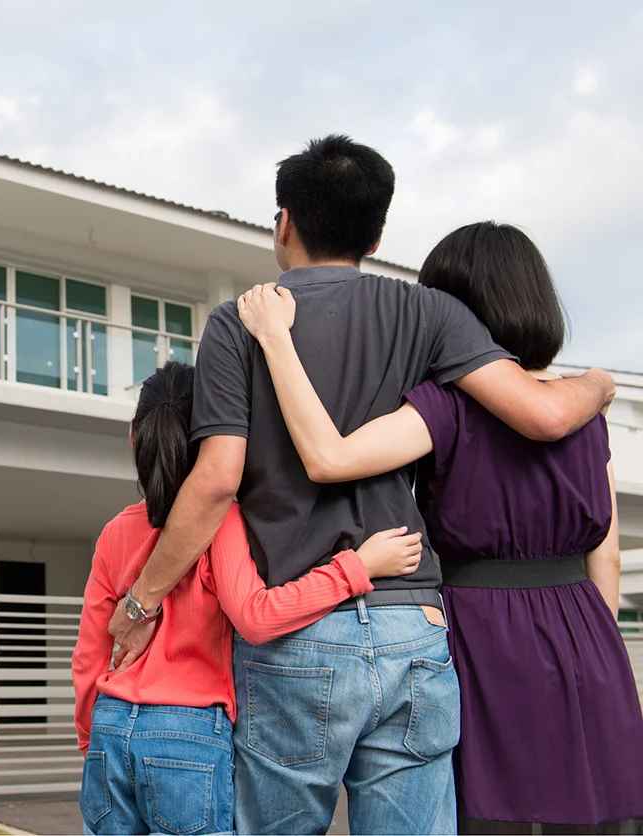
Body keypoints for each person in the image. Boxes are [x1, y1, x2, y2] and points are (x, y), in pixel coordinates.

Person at [106, 135, 616, 835]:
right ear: (376, 233)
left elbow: (219, 478)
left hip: (297, 633)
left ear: (284, 222)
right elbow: (542, 414)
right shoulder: (431, 315)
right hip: (413, 624)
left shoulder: (239, 323)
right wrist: (600, 381)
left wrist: (140, 602)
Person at [235, 221, 643, 832]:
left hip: (481, 630)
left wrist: (276, 343)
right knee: (589, 811)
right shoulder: (587, 410)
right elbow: (604, 552)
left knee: (481, 811)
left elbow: (331, 457)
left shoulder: (446, 405)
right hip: (586, 634)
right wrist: (589, 646)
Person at [72, 361, 426, 835]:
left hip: (110, 727)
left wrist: (92, 739)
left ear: (134, 437)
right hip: (188, 733)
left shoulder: (117, 531)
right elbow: (257, 616)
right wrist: (356, 568)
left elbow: (89, 653)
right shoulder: (223, 522)